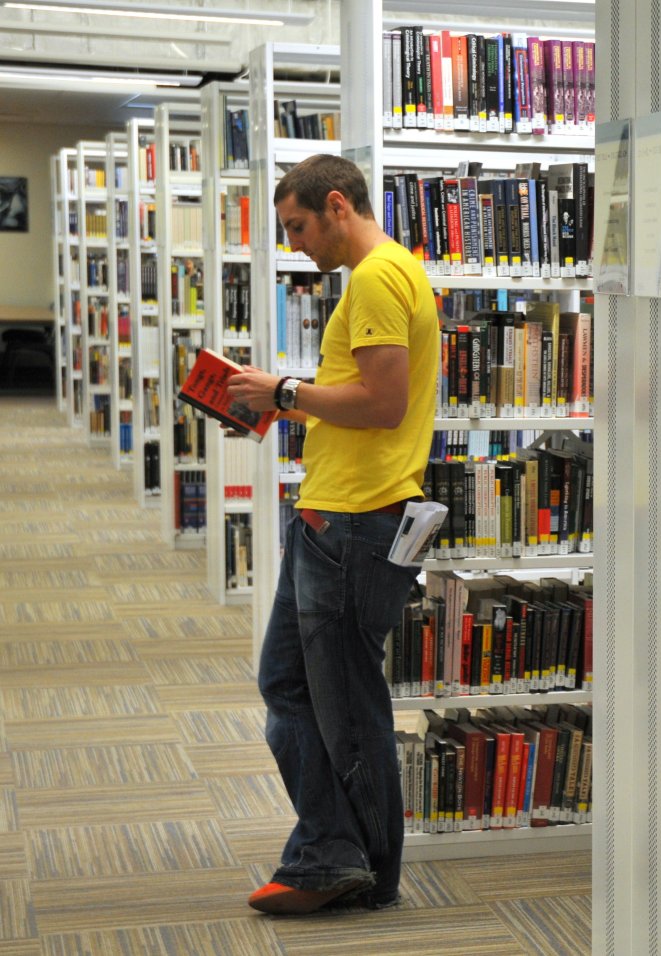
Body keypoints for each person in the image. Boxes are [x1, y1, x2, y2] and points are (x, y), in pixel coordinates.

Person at [226, 154, 440, 916]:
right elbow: (360, 395)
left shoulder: (380, 277)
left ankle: (363, 870)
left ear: (338, 206)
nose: (295, 244)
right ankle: (331, 851)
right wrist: (283, 404)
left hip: (354, 522)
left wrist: (283, 391)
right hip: (338, 517)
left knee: (349, 708)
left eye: (298, 227)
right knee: (289, 684)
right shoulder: (391, 273)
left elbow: (383, 403)